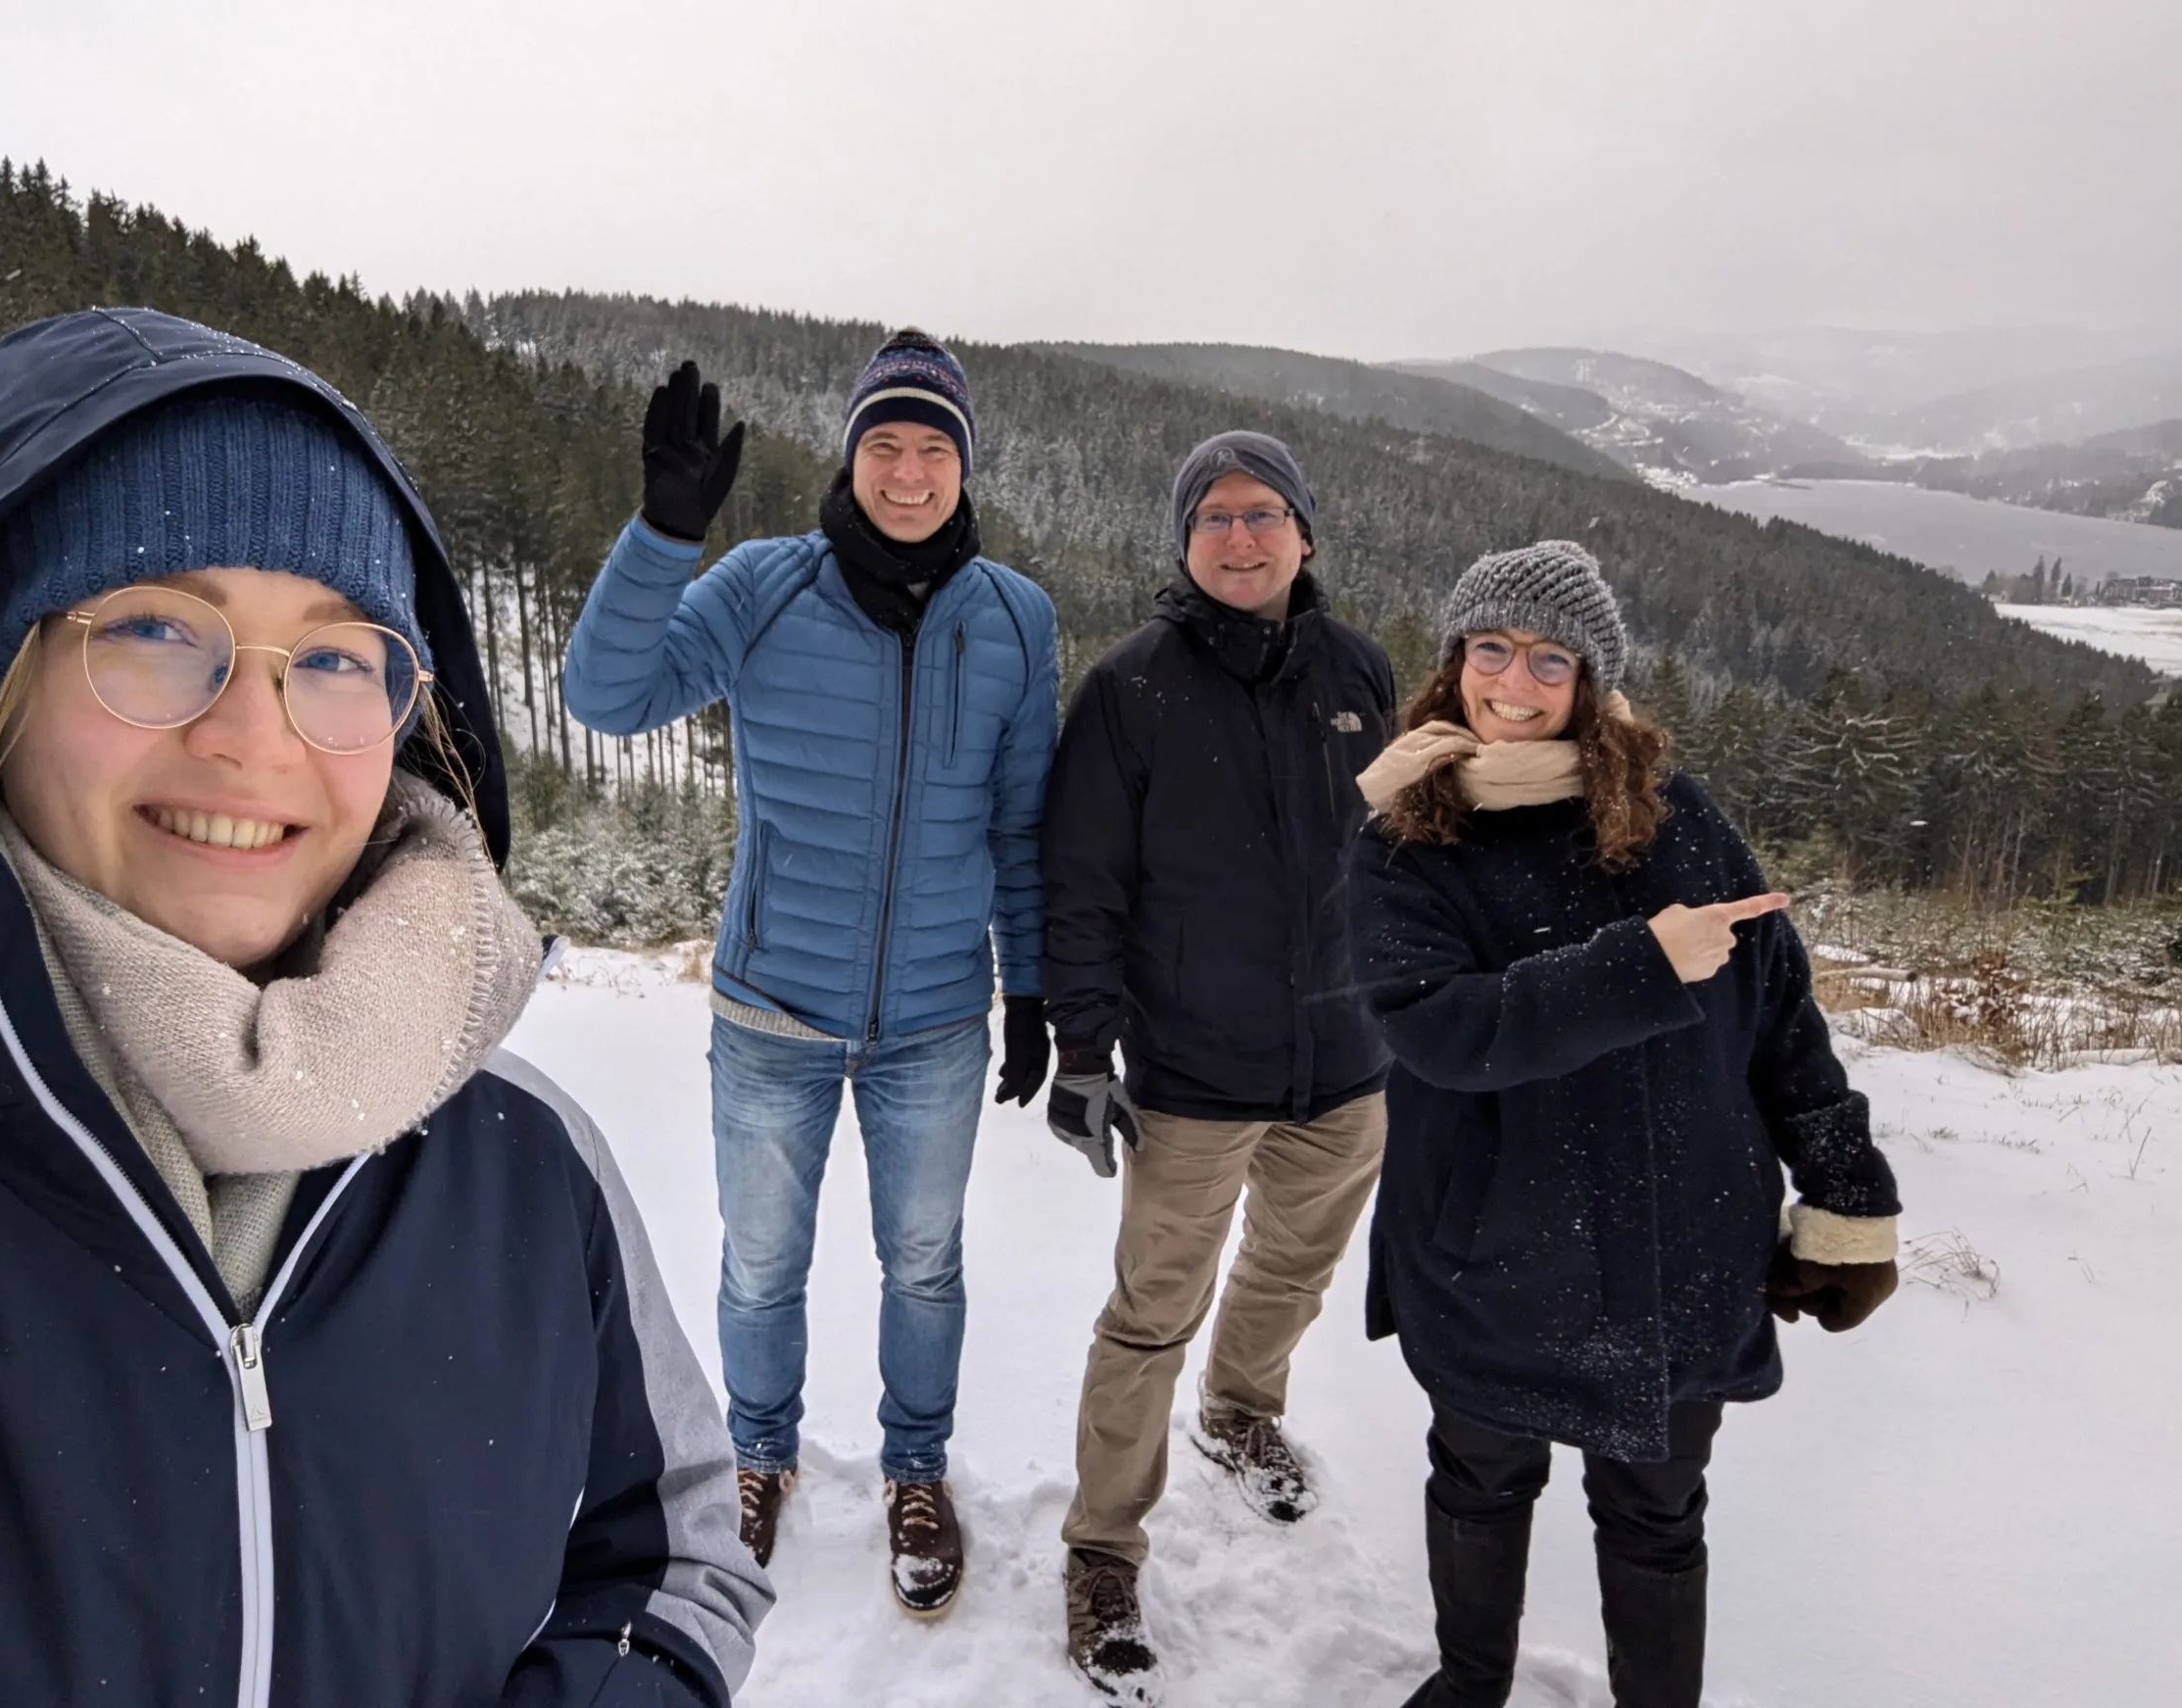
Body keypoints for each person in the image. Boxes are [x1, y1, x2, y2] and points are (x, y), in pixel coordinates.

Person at [0, 308, 769, 1706]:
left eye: (335, 655)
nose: (251, 738)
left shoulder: (528, 1163)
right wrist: (664, 547)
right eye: (152, 626)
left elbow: (671, 1557)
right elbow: (619, 686)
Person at [1343, 540, 1903, 1708]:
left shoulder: (1676, 820)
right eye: (1490, 648)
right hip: (1488, 1251)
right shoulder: (1405, 833)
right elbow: (1437, 1029)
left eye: (1552, 658)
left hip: (1678, 1248)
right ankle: (1469, 1687)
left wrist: (1848, 1193)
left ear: (1591, 683)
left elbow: (1779, 1018)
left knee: (1655, 1514)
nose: (1515, 680)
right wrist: (1641, 965)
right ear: (1451, 665)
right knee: (1481, 1482)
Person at [559, 331, 1058, 1614]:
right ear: (850, 454)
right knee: (760, 1268)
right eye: (884, 444)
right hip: (772, 1010)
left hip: (938, 1022)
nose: (907, 472)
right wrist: (663, 534)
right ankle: (760, 1457)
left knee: (926, 1263)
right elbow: (608, 696)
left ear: (965, 466)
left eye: (932, 447)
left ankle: (916, 1470)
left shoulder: (1013, 619)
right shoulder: (765, 586)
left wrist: (1038, 988)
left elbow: (1019, 825)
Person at [1038, 430, 1396, 1704]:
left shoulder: (1360, 672)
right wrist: (1083, 1052)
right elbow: (1078, 889)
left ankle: (1242, 1410)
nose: (1240, 539)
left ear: (1306, 532)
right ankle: (1101, 1552)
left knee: (1295, 1265)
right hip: (1192, 1075)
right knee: (1148, 1318)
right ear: (1184, 543)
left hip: (1349, 1062)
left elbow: (1399, 854)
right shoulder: (1131, 690)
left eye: (1263, 515)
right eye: (1215, 520)